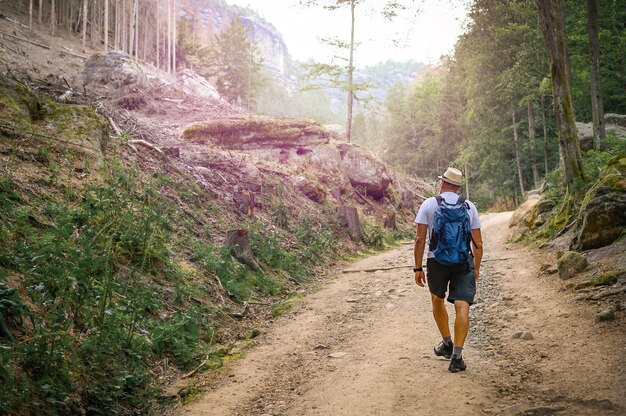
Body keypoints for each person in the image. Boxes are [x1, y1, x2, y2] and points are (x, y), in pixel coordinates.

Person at [413, 167, 483, 372]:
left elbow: (419, 239)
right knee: (462, 307)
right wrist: (476, 268)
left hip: (437, 261)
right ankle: (457, 357)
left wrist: (417, 267)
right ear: (458, 187)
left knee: (437, 300)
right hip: (463, 261)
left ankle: (447, 343)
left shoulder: (429, 204)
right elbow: (478, 243)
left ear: (442, 183)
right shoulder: (469, 206)